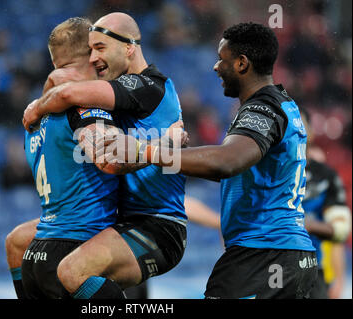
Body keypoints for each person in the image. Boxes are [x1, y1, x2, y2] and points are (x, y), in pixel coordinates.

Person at [101, 22, 318, 299]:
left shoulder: (262, 109)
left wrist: (147, 151)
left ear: (242, 64)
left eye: (222, 59)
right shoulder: (284, 104)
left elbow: (225, 162)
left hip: (262, 256)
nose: (216, 67)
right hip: (289, 257)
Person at [22, 12, 187, 299]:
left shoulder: (149, 86)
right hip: (120, 219)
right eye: (91, 50)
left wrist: (37, 107)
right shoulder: (120, 92)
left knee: (74, 271)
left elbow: (67, 91)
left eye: (100, 48)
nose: (94, 59)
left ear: (129, 47)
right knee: (19, 242)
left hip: (157, 225)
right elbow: (64, 86)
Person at [299, 108, 351, 299]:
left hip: (313, 273)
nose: (295, 130)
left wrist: (339, 280)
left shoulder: (325, 176)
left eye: (301, 123)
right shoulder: (264, 174)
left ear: (311, 132)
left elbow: (340, 231)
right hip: (270, 271)